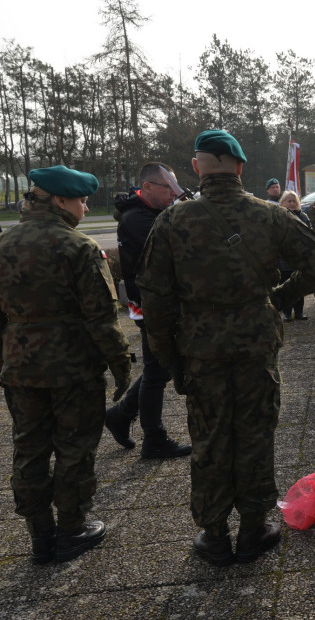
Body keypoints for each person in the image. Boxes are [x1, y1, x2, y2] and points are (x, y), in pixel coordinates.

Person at [137, 130, 315, 566]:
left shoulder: (172, 220)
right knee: (254, 433)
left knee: (208, 438)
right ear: (240, 167)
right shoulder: (269, 215)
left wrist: (170, 358)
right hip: (255, 344)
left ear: (195, 167)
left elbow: (154, 297)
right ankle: (252, 529)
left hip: (200, 349)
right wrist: (279, 296)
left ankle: (213, 534)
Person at [0, 165, 131, 565]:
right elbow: (102, 318)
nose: (85, 206)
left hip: (20, 366)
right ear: (59, 200)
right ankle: (71, 528)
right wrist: (121, 364)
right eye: (81, 200)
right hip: (72, 367)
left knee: (29, 447)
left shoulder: (4, 245)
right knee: (74, 447)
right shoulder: (79, 247)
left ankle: (40, 536)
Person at [104, 163, 192, 459]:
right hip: (148, 305)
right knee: (157, 371)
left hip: (156, 302)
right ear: (148, 186)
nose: (172, 193)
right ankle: (153, 439)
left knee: (160, 367)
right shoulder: (137, 219)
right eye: (168, 187)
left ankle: (120, 415)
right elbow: (173, 252)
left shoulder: (150, 213)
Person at [277, 191, 313, 321]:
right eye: (289, 201)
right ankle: (287, 313)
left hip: (299, 259)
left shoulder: (303, 216)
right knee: (285, 287)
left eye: (294, 201)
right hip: (283, 260)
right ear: (283, 202)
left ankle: (299, 312)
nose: (291, 203)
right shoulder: (278, 216)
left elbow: (310, 233)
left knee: (299, 288)